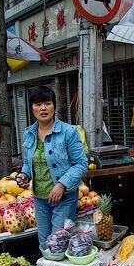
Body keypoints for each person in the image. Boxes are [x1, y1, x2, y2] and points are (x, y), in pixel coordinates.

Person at [15, 86, 89, 250]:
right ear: (31, 108)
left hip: (64, 199)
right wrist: (24, 175)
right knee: (43, 244)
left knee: (58, 245)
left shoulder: (68, 132)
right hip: (40, 199)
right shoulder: (29, 133)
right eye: (37, 104)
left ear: (54, 106)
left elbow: (81, 163)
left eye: (47, 103)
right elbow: (28, 163)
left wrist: (62, 184)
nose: (42, 108)